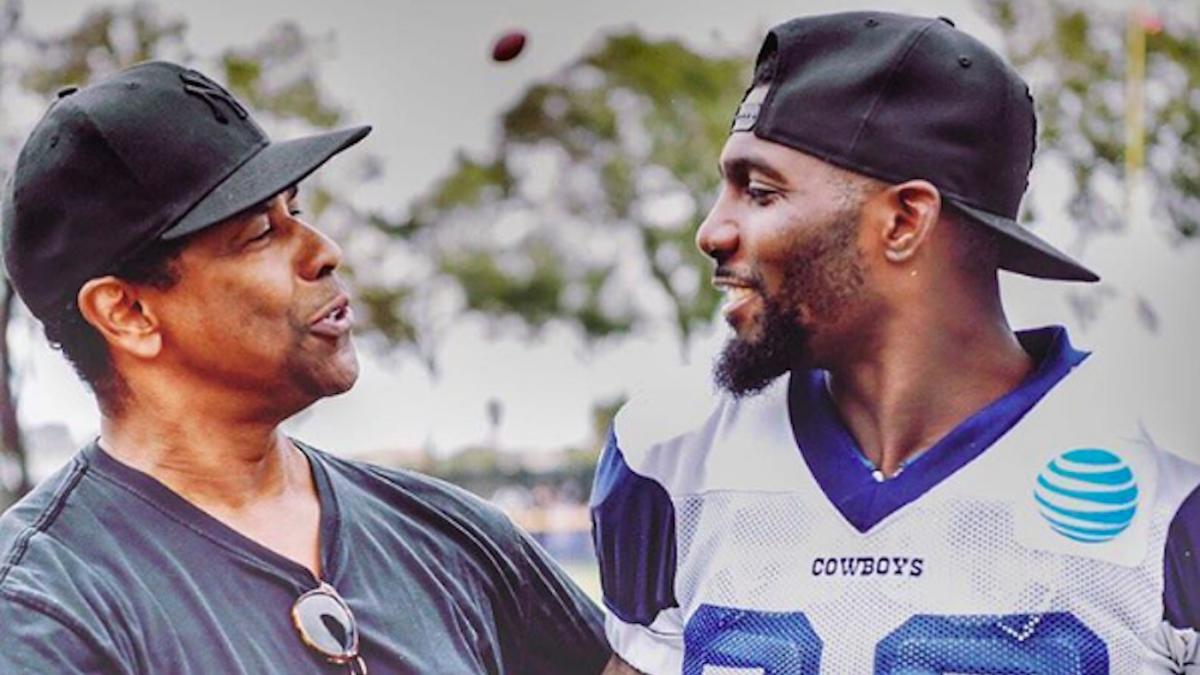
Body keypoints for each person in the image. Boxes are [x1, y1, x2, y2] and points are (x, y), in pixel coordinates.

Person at [591, 12, 1200, 674]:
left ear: (905, 221)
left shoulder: (1170, 476)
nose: (713, 230)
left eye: (760, 192)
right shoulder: (669, 455)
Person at [0, 61, 609, 674]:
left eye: (296, 209)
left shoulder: (449, 534)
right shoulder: (42, 609)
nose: (324, 251)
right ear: (128, 310)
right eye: (262, 232)